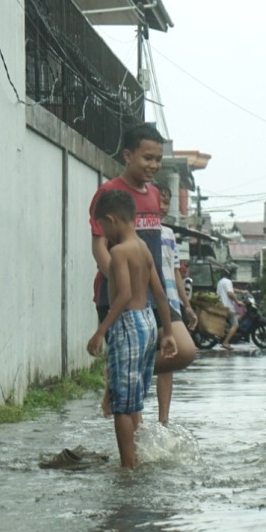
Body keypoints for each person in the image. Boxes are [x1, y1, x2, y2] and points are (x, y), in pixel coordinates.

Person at [89, 122, 196, 413]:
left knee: (185, 351)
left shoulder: (152, 195)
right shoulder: (109, 193)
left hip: (155, 291)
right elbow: (99, 244)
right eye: (147, 158)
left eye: (158, 159)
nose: (153, 165)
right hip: (120, 296)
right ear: (127, 155)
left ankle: (119, 373)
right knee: (130, 407)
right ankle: (131, 451)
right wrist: (120, 279)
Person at [87, 189, 178, 468]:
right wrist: (169, 333)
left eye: (103, 226)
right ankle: (138, 458)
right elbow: (160, 294)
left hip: (127, 325)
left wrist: (101, 330)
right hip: (148, 322)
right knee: (133, 401)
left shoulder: (119, 252)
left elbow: (124, 294)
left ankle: (128, 467)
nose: (104, 233)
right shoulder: (142, 248)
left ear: (112, 220)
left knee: (121, 408)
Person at [154, 183, 198, 425]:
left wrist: (186, 305)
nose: (162, 207)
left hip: (170, 301)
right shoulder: (138, 232)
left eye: (165, 202)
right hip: (148, 301)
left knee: (169, 358)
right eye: (158, 200)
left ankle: (164, 420)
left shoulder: (169, 235)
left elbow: (176, 272)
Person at [216, 265, 242, 350]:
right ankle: (225, 342)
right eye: (234, 272)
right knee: (235, 324)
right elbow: (230, 293)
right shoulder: (228, 281)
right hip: (227, 307)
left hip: (221, 306)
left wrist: (242, 292)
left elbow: (231, 290)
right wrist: (237, 301)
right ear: (230, 273)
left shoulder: (221, 282)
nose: (234, 274)